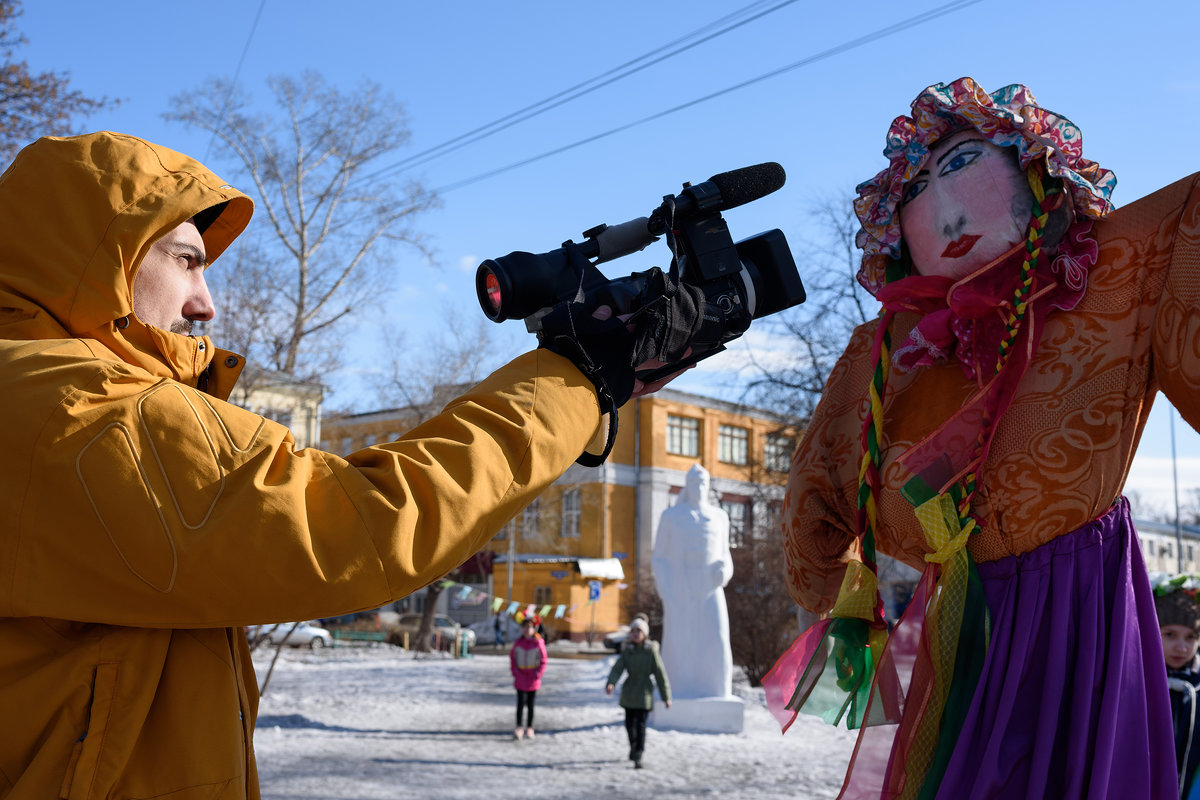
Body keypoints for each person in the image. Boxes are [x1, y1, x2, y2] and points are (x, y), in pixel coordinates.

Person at [0, 131, 694, 797]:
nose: (204, 303)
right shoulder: (78, 411)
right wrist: (576, 379)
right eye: (186, 259)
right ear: (100, 255)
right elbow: (364, 521)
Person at [765, 77, 1199, 798]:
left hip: (1079, 617)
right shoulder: (887, 351)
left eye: (965, 163)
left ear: (1036, 169)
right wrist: (835, 583)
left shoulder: (1117, 269)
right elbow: (818, 504)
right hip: (959, 624)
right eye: (916, 189)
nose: (945, 207)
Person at [652, 463, 734, 698]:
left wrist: (724, 571)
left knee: (716, 636)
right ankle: (679, 688)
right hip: (681, 588)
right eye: (695, 483)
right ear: (687, 486)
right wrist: (666, 590)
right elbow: (659, 557)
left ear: (708, 487)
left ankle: (716, 688)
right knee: (680, 640)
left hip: (710, 588)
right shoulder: (671, 516)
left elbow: (725, 555)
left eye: (703, 484)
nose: (699, 488)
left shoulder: (720, 517)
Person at [1154, 575, 1200, 798]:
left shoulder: (1198, 687)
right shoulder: (1141, 681)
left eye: (1191, 637)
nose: (1181, 648)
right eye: (1170, 634)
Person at [605, 617, 671, 768]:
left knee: (640, 725)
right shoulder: (628, 651)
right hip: (629, 692)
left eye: (639, 631)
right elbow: (618, 668)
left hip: (644, 693)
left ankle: (638, 754)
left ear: (645, 634)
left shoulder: (651, 651)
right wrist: (611, 683)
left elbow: (660, 674)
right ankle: (633, 747)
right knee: (629, 724)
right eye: (633, 631)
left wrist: (666, 696)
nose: (635, 634)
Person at [510, 615, 548, 740]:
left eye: (529, 627)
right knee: (520, 703)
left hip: (533, 678)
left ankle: (530, 727)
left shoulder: (538, 643)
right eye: (524, 627)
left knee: (531, 705)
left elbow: (543, 660)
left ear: (534, 629)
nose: (526, 630)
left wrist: (538, 674)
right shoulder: (518, 643)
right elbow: (513, 658)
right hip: (520, 677)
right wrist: (515, 672)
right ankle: (519, 727)